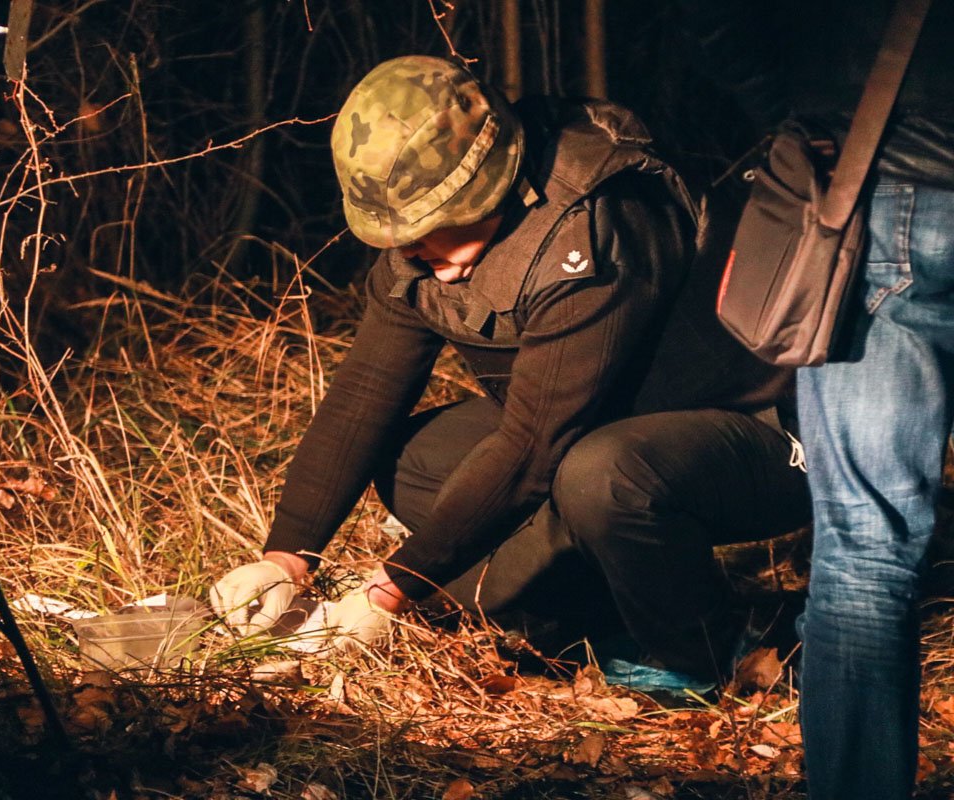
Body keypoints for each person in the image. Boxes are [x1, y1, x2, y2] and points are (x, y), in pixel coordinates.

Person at [210, 55, 811, 688]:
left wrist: (391, 590)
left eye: (432, 227)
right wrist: (287, 556)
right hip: (620, 421)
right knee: (413, 458)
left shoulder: (594, 226)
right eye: (402, 234)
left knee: (602, 474)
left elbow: (531, 449)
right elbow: (364, 395)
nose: (414, 250)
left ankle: (711, 653)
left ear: (487, 187)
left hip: (763, 432)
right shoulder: (420, 252)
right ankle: (596, 618)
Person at [672, 1, 954, 796]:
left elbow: (715, 21)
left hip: (887, 180)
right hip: (884, 167)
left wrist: (817, 118)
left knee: (868, 545)